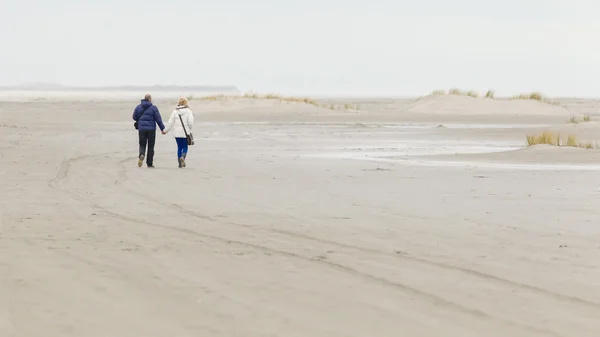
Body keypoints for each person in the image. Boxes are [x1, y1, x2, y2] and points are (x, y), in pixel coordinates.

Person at [132, 94, 166, 168]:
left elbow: (134, 117)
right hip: (151, 129)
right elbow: (158, 119)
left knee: (142, 144)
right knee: (151, 146)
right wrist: (163, 129)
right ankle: (149, 163)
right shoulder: (154, 108)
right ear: (150, 99)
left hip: (142, 129)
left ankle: (142, 154)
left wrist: (140, 120)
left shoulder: (138, 107)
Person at [163, 96, 194, 168]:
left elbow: (170, 122)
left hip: (177, 133)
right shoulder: (188, 111)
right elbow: (190, 122)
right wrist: (189, 128)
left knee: (179, 147)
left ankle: (180, 164)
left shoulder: (175, 111)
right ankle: (183, 157)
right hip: (185, 132)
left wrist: (165, 131)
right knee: (185, 147)